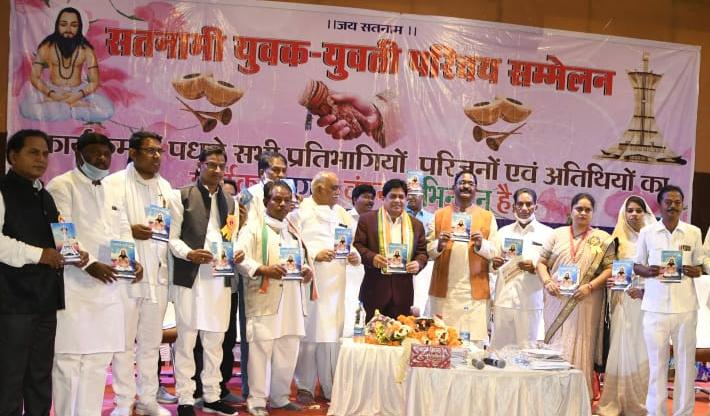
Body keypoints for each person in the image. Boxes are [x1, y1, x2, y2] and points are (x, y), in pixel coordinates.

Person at [46, 130, 143, 415]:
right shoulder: (61, 185)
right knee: (69, 363)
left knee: (98, 363)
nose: (101, 158)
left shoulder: (113, 189)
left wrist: (133, 262)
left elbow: (123, 229)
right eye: (94, 153)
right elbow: (62, 233)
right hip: (73, 284)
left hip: (108, 288)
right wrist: (89, 266)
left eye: (106, 153)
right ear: (79, 155)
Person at [0, 129, 78, 415]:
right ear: (13, 156)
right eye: (33, 152)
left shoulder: (45, 196)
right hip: (12, 302)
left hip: (46, 300)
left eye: (45, 154)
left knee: (40, 376)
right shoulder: (2, 191)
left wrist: (72, 252)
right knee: (9, 378)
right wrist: (40, 255)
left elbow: (59, 238)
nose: (41, 159)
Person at [105, 131, 180, 416]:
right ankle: (124, 402)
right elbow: (104, 226)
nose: (156, 156)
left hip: (157, 278)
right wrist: (129, 231)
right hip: (126, 276)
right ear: (133, 153)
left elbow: (170, 231)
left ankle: (148, 400)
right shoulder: (113, 184)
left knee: (150, 344)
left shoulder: (165, 187)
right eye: (150, 150)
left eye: (159, 150)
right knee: (123, 343)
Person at [169, 145, 242, 416]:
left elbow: (232, 237)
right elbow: (171, 238)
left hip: (219, 278)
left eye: (221, 166)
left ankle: (212, 395)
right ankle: (186, 398)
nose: (217, 170)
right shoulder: (181, 196)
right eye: (211, 164)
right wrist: (189, 253)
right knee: (187, 340)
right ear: (199, 166)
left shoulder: (231, 202)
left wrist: (238, 251)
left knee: (215, 340)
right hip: (190, 277)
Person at [235, 180, 313, 416]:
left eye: (287, 200)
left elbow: (300, 261)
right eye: (277, 199)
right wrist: (263, 269)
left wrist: (306, 270)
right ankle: (257, 401)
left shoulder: (293, 229)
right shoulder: (253, 228)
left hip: (292, 301)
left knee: (288, 350)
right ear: (266, 202)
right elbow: (239, 258)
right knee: (260, 352)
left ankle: (280, 397)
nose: (282, 204)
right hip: (265, 299)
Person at [633, 185, 705, 416]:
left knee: (685, 364)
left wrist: (697, 270)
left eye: (677, 202)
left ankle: (684, 412)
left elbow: (701, 264)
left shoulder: (693, 232)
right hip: (654, 308)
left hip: (686, 308)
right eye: (668, 202)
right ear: (660, 204)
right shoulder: (647, 232)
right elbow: (636, 265)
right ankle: (656, 412)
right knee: (657, 365)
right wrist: (647, 271)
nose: (673, 206)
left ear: (683, 205)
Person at [290, 171, 361, 403]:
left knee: (331, 336)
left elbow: (351, 242)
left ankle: (331, 387)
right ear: (319, 189)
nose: (338, 192)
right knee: (310, 335)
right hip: (311, 283)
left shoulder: (341, 213)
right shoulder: (300, 212)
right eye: (334, 188)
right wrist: (314, 255)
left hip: (336, 286)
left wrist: (355, 256)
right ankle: (305, 387)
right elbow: (290, 245)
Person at [536, 193, 615, 400]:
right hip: (556, 298)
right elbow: (541, 263)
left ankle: (577, 398)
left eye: (587, 210)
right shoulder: (557, 234)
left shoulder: (602, 239)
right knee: (556, 342)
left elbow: (610, 269)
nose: (583, 213)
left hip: (587, 300)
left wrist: (590, 286)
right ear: (571, 211)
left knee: (582, 344)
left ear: (593, 213)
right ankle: (551, 395)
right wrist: (547, 281)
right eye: (579, 208)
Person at [597, 195, 656, 416]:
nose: (634, 214)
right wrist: (611, 282)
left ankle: (640, 403)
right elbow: (609, 270)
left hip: (648, 302)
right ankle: (617, 400)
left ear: (645, 213)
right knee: (622, 347)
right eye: (630, 210)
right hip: (622, 301)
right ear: (624, 213)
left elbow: (662, 272)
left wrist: (645, 291)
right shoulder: (616, 241)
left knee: (643, 349)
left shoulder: (655, 239)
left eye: (638, 210)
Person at [193, 176, 248, 405]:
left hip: (228, 286)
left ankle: (220, 388)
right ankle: (197, 390)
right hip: (202, 284)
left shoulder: (235, 219)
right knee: (198, 339)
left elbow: (236, 245)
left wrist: (241, 226)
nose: (226, 199)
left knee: (226, 338)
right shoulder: (202, 217)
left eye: (230, 195)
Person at [426, 170, 498, 344]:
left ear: (476, 189)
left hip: (474, 292)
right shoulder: (439, 215)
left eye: (470, 184)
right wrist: (439, 244)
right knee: (441, 342)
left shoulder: (487, 217)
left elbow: (496, 252)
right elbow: (427, 250)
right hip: (444, 291)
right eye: (462, 183)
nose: (466, 186)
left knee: (472, 345)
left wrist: (481, 244)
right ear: (453, 187)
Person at [21, 7, 113, 123]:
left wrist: (77, 95)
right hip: (53, 89)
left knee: (107, 110)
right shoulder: (46, 47)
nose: (68, 29)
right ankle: (73, 108)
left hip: (79, 90)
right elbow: (34, 77)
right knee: (25, 108)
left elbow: (94, 81)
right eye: (64, 24)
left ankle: (63, 109)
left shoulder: (86, 50)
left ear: (79, 27)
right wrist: (52, 94)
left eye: (73, 25)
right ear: (57, 26)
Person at [353, 178, 428, 321]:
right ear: (383, 198)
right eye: (393, 196)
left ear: (406, 199)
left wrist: (418, 263)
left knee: (400, 332)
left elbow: (422, 252)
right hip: (374, 290)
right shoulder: (367, 220)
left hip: (403, 293)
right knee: (370, 333)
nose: (397, 200)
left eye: (401, 197)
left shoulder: (416, 225)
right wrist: (372, 258)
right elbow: (358, 245)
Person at [490, 188, 553, 350]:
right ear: (514, 207)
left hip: (530, 302)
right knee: (499, 351)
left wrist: (535, 268)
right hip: (504, 300)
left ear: (535, 207)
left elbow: (553, 268)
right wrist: (495, 264)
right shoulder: (503, 232)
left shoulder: (548, 234)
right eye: (520, 204)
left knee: (527, 351)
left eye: (529, 204)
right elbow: (492, 266)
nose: (524, 208)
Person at [242, 150, 287, 227]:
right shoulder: (250, 194)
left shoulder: (288, 196)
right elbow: (249, 225)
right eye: (275, 170)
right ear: (262, 173)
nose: (281, 175)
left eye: (284, 171)